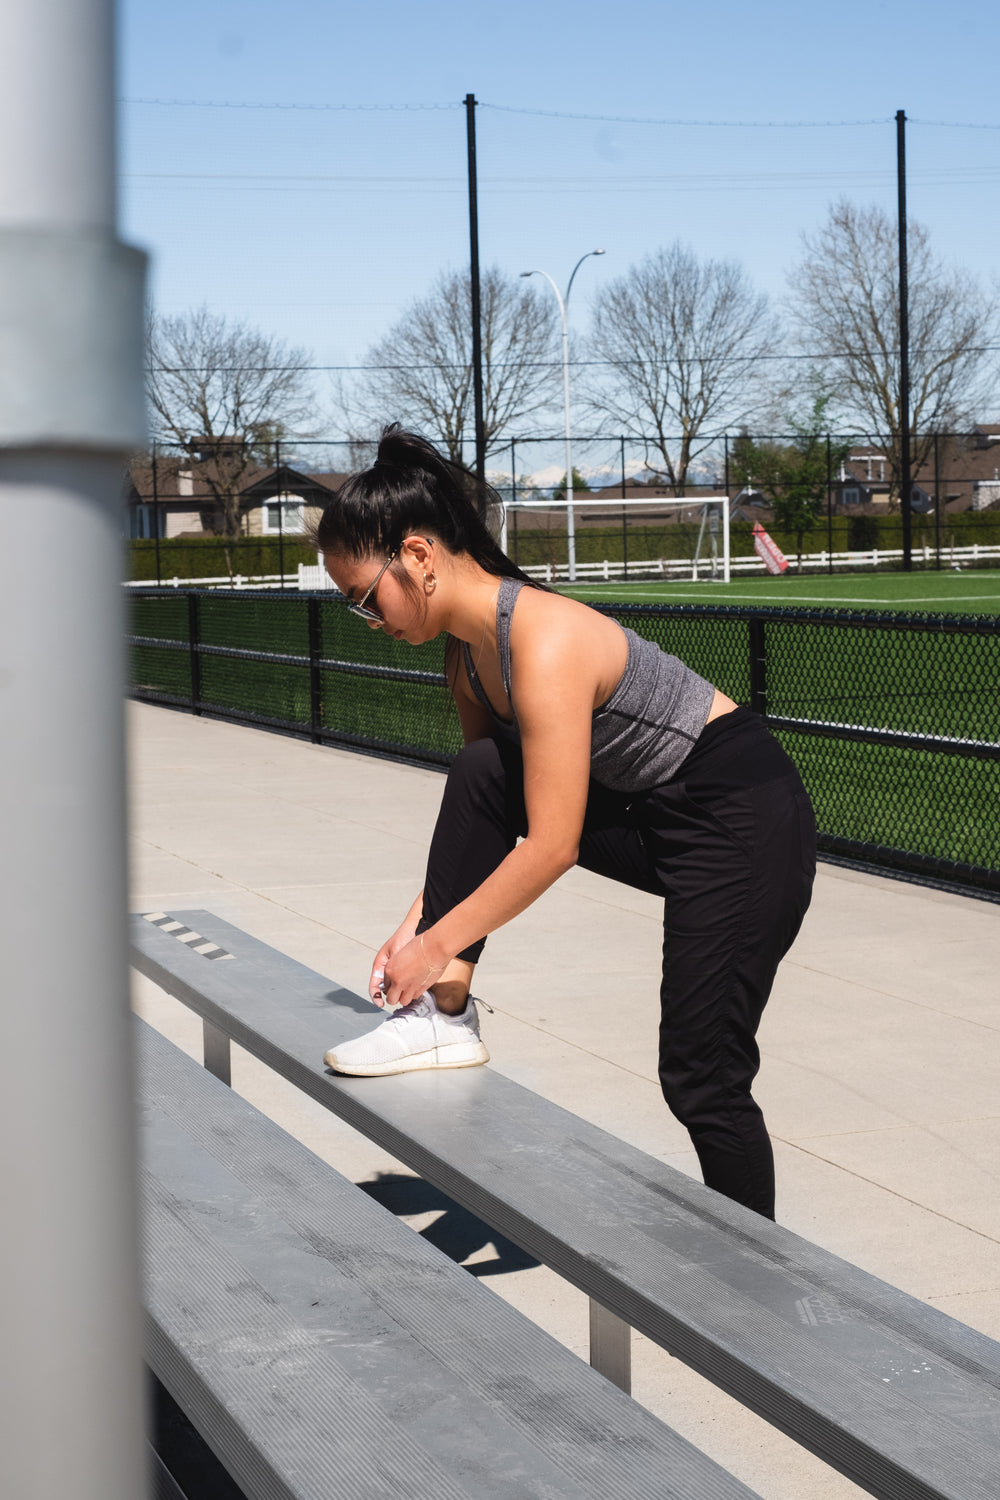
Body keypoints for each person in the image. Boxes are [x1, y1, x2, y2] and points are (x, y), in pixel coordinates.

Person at [316, 426, 816, 1219]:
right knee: (481, 769)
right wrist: (420, 925)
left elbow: (552, 846)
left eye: (362, 597)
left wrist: (434, 941)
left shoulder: (541, 638)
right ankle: (446, 1015)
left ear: (416, 554)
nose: (366, 618)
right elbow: (488, 812)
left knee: (702, 1072)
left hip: (743, 818)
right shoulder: (466, 653)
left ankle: (757, 1286)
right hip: (657, 811)